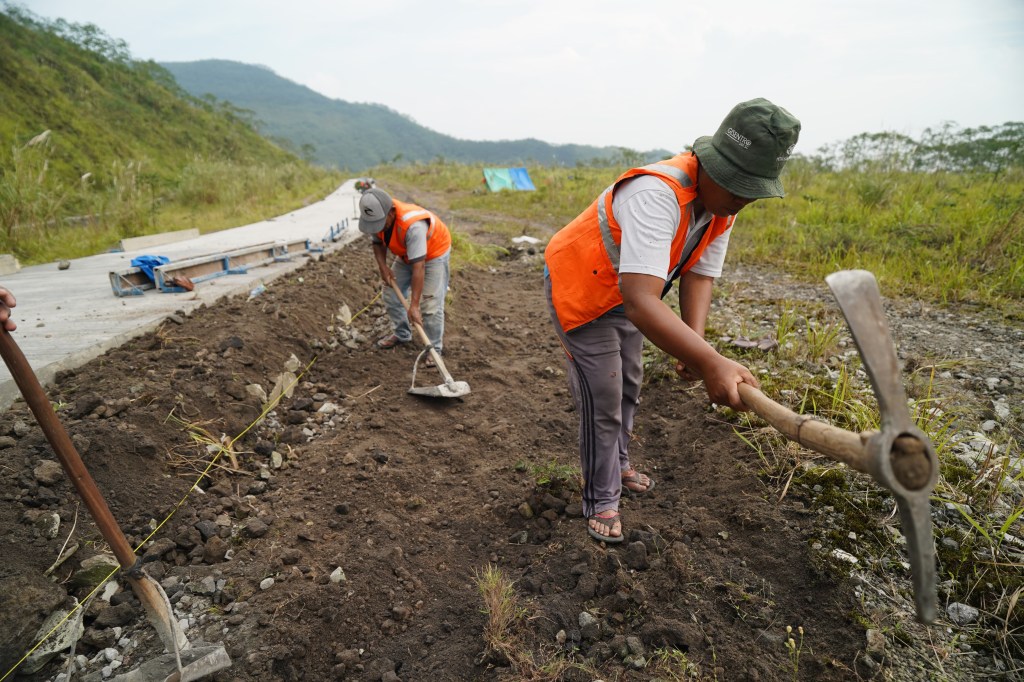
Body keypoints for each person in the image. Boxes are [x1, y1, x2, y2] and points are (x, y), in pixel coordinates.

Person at [544, 98, 801, 543]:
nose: (741, 201)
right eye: (737, 187)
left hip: (627, 292)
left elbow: (699, 273)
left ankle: (618, 464)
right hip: (583, 292)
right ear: (710, 164)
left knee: (630, 380)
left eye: (751, 192)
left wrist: (694, 345)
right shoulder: (656, 194)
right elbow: (643, 301)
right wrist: (711, 362)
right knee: (603, 393)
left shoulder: (723, 208)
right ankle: (601, 498)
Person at [357, 188, 451, 363]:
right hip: (409, 254)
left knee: (430, 304)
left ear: (391, 212)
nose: (377, 228)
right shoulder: (376, 217)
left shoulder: (413, 226)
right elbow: (377, 243)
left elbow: (419, 266)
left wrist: (414, 305)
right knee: (391, 293)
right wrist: (383, 267)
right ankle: (402, 334)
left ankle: (435, 348)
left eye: (380, 223)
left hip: (433, 254)